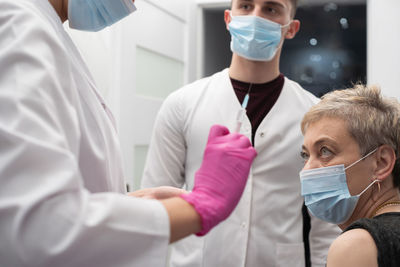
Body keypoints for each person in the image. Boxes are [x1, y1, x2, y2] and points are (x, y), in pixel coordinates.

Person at [0, 0, 257, 266]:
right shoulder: (17, 23)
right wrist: (203, 205)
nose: (132, 3)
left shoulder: (48, 30)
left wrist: (128, 205)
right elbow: (39, 229)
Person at [141, 0, 340, 266]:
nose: (256, 17)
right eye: (246, 6)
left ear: (291, 28)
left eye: (271, 8)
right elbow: (152, 203)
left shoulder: (316, 114)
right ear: (228, 19)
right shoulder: (182, 104)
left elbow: (325, 222)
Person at [300, 84, 400, 267]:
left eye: (325, 151)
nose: (307, 170)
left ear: (381, 163)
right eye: (305, 155)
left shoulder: (357, 244)